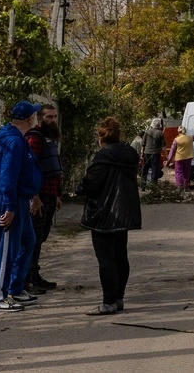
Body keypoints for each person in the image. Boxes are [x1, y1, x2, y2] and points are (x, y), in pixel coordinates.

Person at [76, 117, 142, 316]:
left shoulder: (103, 156)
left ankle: (108, 302)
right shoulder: (129, 154)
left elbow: (92, 182)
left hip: (104, 212)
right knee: (120, 255)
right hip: (123, 212)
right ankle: (118, 297)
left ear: (100, 137)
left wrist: (80, 188)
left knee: (105, 259)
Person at [0, 101, 43, 312]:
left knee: (28, 240)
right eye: (35, 115)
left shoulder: (15, 138)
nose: (37, 118)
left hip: (18, 199)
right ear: (29, 119)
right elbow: (8, 177)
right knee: (6, 249)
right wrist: (10, 208)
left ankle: (16, 287)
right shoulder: (13, 141)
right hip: (9, 200)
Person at [25, 104, 63, 295]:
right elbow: (30, 168)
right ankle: (27, 278)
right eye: (49, 117)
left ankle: (34, 274)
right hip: (38, 197)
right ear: (40, 118)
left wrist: (57, 195)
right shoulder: (35, 138)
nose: (53, 120)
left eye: (55, 117)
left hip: (49, 195)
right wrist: (35, 197)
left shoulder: (51, 139)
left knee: (41, 237)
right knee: (33, 238)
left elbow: (54, 169)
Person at [166, 126, 194, 191]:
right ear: (185, 131)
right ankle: (185, 187)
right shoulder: (190, 138)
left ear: (178, 132)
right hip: (188, 158)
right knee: (186, 173)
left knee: (179, 173)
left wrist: (168, 161)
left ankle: (179, 186)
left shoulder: (176, 140)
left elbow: (172, 151)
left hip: (179, 158)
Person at [140, 119, 166, 186]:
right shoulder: (161, 133)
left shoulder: (147, 132)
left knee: (144, 170)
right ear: (159, 125)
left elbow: (143, 144)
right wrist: (166, 155)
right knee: (154, 170)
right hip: (156, 155)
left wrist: (142, 153)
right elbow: (164, 146)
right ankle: (153, 186)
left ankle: (142, 185)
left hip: (146, 153)